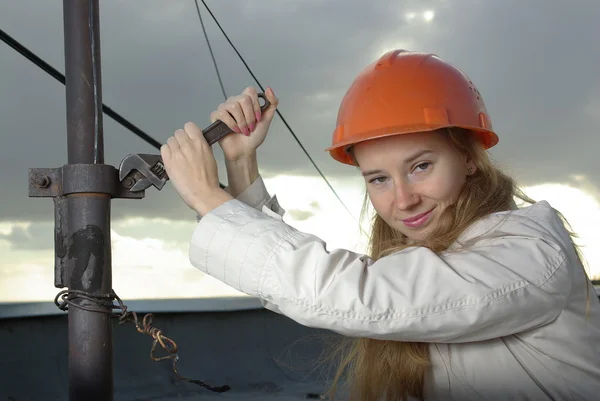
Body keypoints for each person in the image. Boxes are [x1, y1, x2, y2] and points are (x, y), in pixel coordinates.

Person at [160, 50, 600, 400]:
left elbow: (360, 296)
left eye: (422, 165)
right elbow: (290, 284)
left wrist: (207, 197)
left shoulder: (530, 250)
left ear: (469, 158)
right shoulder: (429, 260)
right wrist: (241, 164)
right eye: (379, 178)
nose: (403, 199)